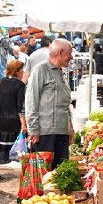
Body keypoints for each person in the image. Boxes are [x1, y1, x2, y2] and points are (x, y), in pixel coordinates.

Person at [25, 38, 74, 169]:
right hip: (45, 133)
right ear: (61, 53)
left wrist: (70, 126)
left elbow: (65, 102)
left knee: (59, 171)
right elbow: (31, 101)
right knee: (43, 172)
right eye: (69, 53)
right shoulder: (40, 70)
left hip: (61, 131)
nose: (72, 56)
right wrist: (33, 129)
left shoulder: (61, 72)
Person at [0, 60, 27, 180]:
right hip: (13, 121)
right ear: (17, 71)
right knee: (19, 147)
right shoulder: (20, 85)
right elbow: (21, 107)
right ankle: (25, 172)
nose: (23, 72)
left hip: (0, 119)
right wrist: (23, 124)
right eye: (21, 70)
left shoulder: (1, 81)